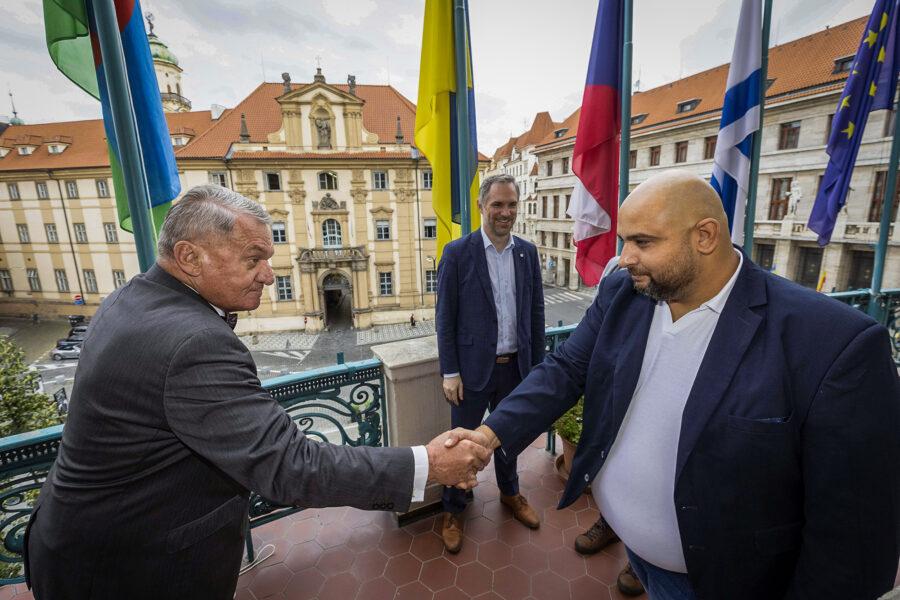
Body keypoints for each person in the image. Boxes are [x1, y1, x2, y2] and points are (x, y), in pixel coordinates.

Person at [24, 185, 492, 600]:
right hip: (130, 570)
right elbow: (289, 465)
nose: (269, 275)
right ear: (190, 258)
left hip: (83, 542)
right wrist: (428, 464)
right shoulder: (192, 341)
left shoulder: (136, 297)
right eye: (253, 260)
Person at [466, 170, 900, 599]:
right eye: (624, 241)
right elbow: (566, 368)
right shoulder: (626, 290)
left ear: (705, 237)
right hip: (637, 554)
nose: (624, 258)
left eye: (643, 242)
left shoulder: (834, 345)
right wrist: (488, 435)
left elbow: (853, 547)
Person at [435, 173, 545, 553]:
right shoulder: (457, 252)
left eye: (511, 204)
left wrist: (537, 368)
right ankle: (453, 508)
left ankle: (510, 493)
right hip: (471, 372)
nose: (505, 212)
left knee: (510, 439)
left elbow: (536, 312)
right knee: (459, 445)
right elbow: (445, 317)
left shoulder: (526, 253)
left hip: (516, 367)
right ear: (481, 206)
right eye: (497, 204)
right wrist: (450, 371)